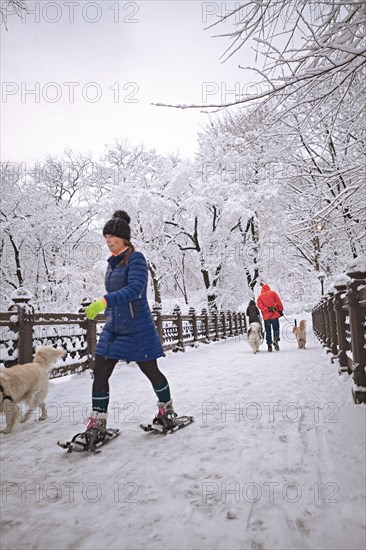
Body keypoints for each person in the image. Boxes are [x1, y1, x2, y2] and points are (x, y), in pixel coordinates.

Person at [82, 210, 177, 434]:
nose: (109, 245)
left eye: (113, 241)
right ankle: (97, 423)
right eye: (106, 241)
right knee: (100, 371)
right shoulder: (112, 263)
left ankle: (167, 410)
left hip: (137, 327)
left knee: (150, 370)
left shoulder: (137, 259)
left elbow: (134, 290)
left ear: (124, 239)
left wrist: (104, 302)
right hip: (114, 326)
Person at [256, 284, 284, 352]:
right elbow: (279, 302)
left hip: (266, 318)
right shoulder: (273, 293)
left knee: (268, 331)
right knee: (276, 329)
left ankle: (269, 345)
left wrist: (267, 309)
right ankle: (276, 339)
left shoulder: (260, 297)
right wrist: (280, 310)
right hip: (274, 315)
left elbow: (260, 306)